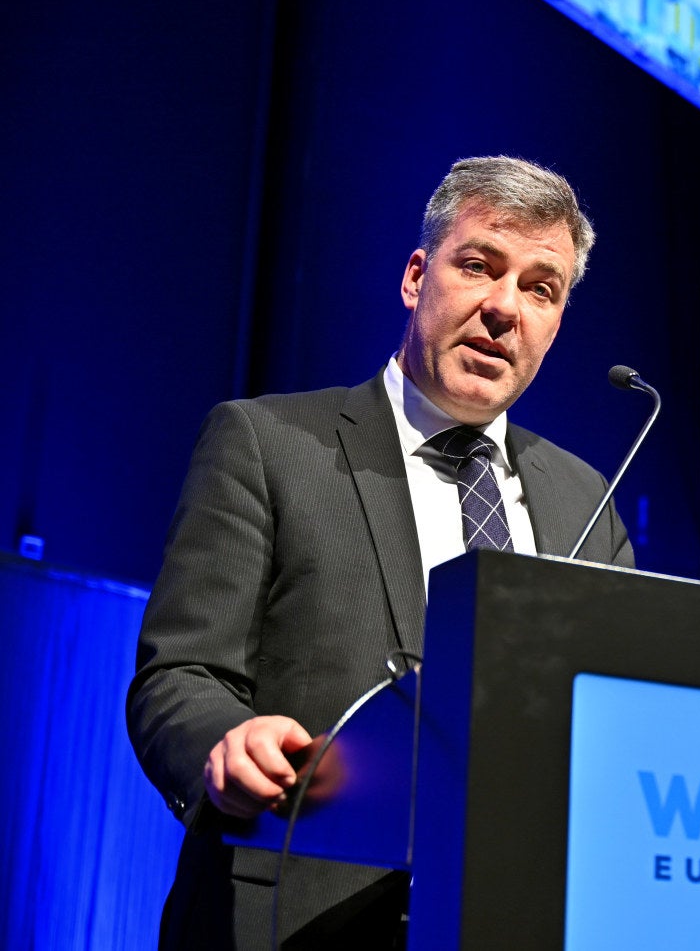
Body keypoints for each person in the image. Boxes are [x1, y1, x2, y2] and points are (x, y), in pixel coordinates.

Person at [127, 156, 633, 947]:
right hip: (294, 917)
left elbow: (615, 724)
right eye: (479, 265)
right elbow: (180, 674)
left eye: (541, 288)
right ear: (415, 276)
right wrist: (225, 742)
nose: (505, 308)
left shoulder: (586, 499)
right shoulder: (266, 443)